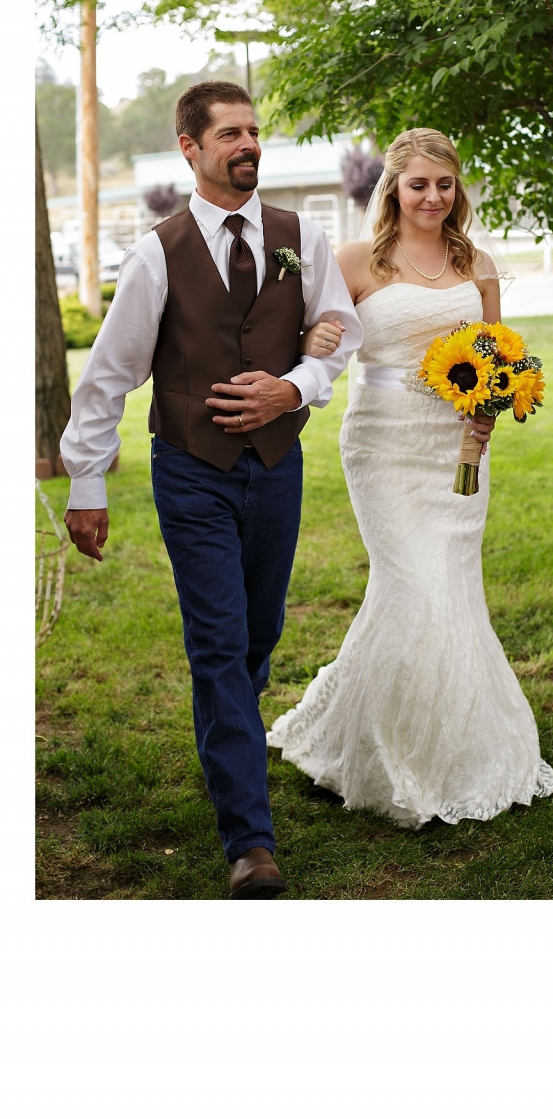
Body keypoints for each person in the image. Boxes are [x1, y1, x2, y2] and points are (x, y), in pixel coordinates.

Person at [61, 81, 363, 898]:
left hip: (276, 466)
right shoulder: (159, 252)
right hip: (192, 471)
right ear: (190, 149)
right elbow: (111, 374)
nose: (248, 145)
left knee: (258, 636)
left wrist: (291, 388)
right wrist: (87, 481)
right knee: (220, 646)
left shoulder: (304, 236)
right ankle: (250, 842)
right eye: (230, 133)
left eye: (255, 131)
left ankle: (227, 734)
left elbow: (338, 336)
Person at [267, 128, 553, 828]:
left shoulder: (477, 263)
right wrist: (313, 344)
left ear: (457, 191)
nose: (432, 196)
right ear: (392, 187)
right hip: (382, 442)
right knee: (412, 580)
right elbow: (305, 340)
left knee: (452, 586)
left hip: (456, 445)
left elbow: (500, 354)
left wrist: (492, 407)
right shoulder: (355, 259)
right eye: (419, 183)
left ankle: (458, 747)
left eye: (445, 184)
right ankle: (384, 748)